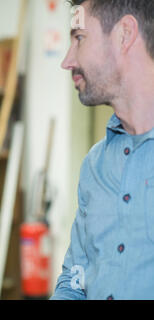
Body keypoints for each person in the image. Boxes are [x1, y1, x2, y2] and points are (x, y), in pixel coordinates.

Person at [52, 0, 154, 299]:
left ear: (125, 34)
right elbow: (74, 278)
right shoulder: (95, 165)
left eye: (79, 38)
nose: (67, 61)